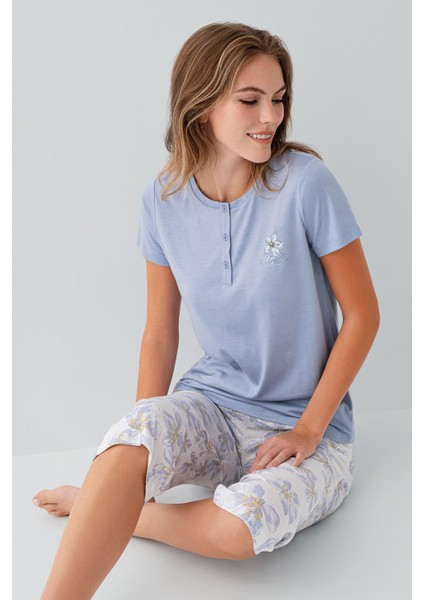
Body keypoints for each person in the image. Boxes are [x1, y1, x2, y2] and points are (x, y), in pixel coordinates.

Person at [33, 21, 380, 599]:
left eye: (278, 99)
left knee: (236, 529)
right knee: (127, 440)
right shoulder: (161, 201)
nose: (270, 117)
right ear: (200, 106)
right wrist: (142, 457)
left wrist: (309, 428)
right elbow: (159, 333)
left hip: (309, 426)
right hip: (214, 404)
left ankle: (106, 508)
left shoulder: (305, 184)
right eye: (250, 100)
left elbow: (364, 316)